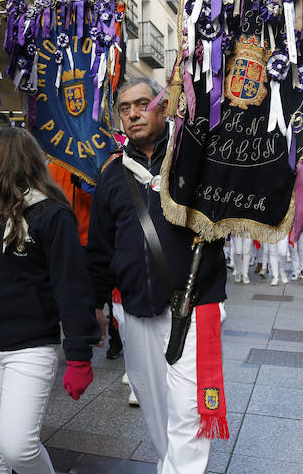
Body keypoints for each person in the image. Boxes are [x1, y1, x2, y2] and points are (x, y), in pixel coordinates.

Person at [86, 77, 228, 474]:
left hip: (196, 305)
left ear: (163, 107)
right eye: (125, 107)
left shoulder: (194, 158)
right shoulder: (112, 174)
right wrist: (94, 305)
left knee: (188, 411)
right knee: (154, 408)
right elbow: (99, 249)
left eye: (142, 103)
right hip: (134, 309)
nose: (133, 113)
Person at [0, 127, 100, 474]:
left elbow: (72, 287)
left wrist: (80, 355)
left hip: (30, 347)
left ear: (3, 159)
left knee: (18, 447)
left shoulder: (52, 214)